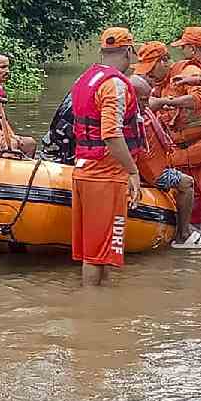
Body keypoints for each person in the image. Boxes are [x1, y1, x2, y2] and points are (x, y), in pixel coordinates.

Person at [70, 28, 143, 287]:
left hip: (84, 170)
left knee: (97, 255)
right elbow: (111, 134)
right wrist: (133, 171)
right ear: (129, 51)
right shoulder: (115, 85)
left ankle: (101, 310)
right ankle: (95, 317)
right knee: (96, 256)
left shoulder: (85, 79)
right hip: (106, 176)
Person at [158, 27, 201, 243]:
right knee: (197, 210)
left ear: (191, 48)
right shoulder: (200, 70)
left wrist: (167, 102)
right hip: (189, 151)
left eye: (183, 47)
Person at [129, 73, 201, 248]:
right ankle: (183, 235)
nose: (146, 104)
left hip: (154, 165)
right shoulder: (131, 119)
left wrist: (168, 101)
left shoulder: (140, 110)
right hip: (151, 172)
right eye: (143, 100)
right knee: (187, 183)